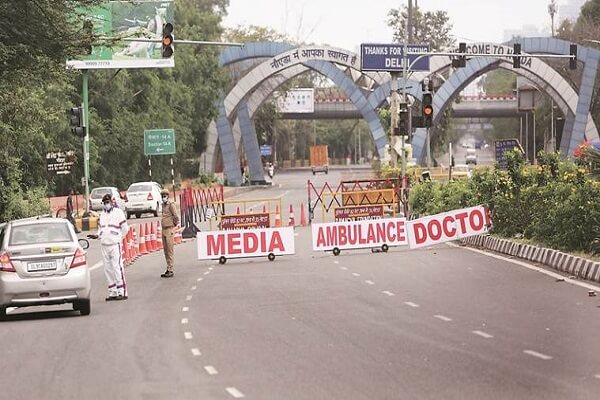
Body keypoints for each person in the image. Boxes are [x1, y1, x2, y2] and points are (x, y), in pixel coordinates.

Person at [88, 194, 129, 301]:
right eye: (105, 203)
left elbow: (125, 229)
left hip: (115, 244)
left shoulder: (118, 213)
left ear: (112, 202)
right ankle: (112, 291)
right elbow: (101, 229)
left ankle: (122, 291)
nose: (106, 204)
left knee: (117, 267)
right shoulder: (102, 215)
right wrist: (97, 236)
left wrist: (119, 238)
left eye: (108, 202)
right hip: (104, 244)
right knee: (107, 269)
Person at [160, 189, 179, 278]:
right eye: (162, 196)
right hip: (163, 229)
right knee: (166, 251)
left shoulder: (171, 205)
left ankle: (170, 269)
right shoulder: (163, 205)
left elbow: (176, 216)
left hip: (169, 229)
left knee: (170, 250)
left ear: (168, 196)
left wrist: (173, 225)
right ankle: (168, 268)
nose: (163, 197)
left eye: (165, 195)